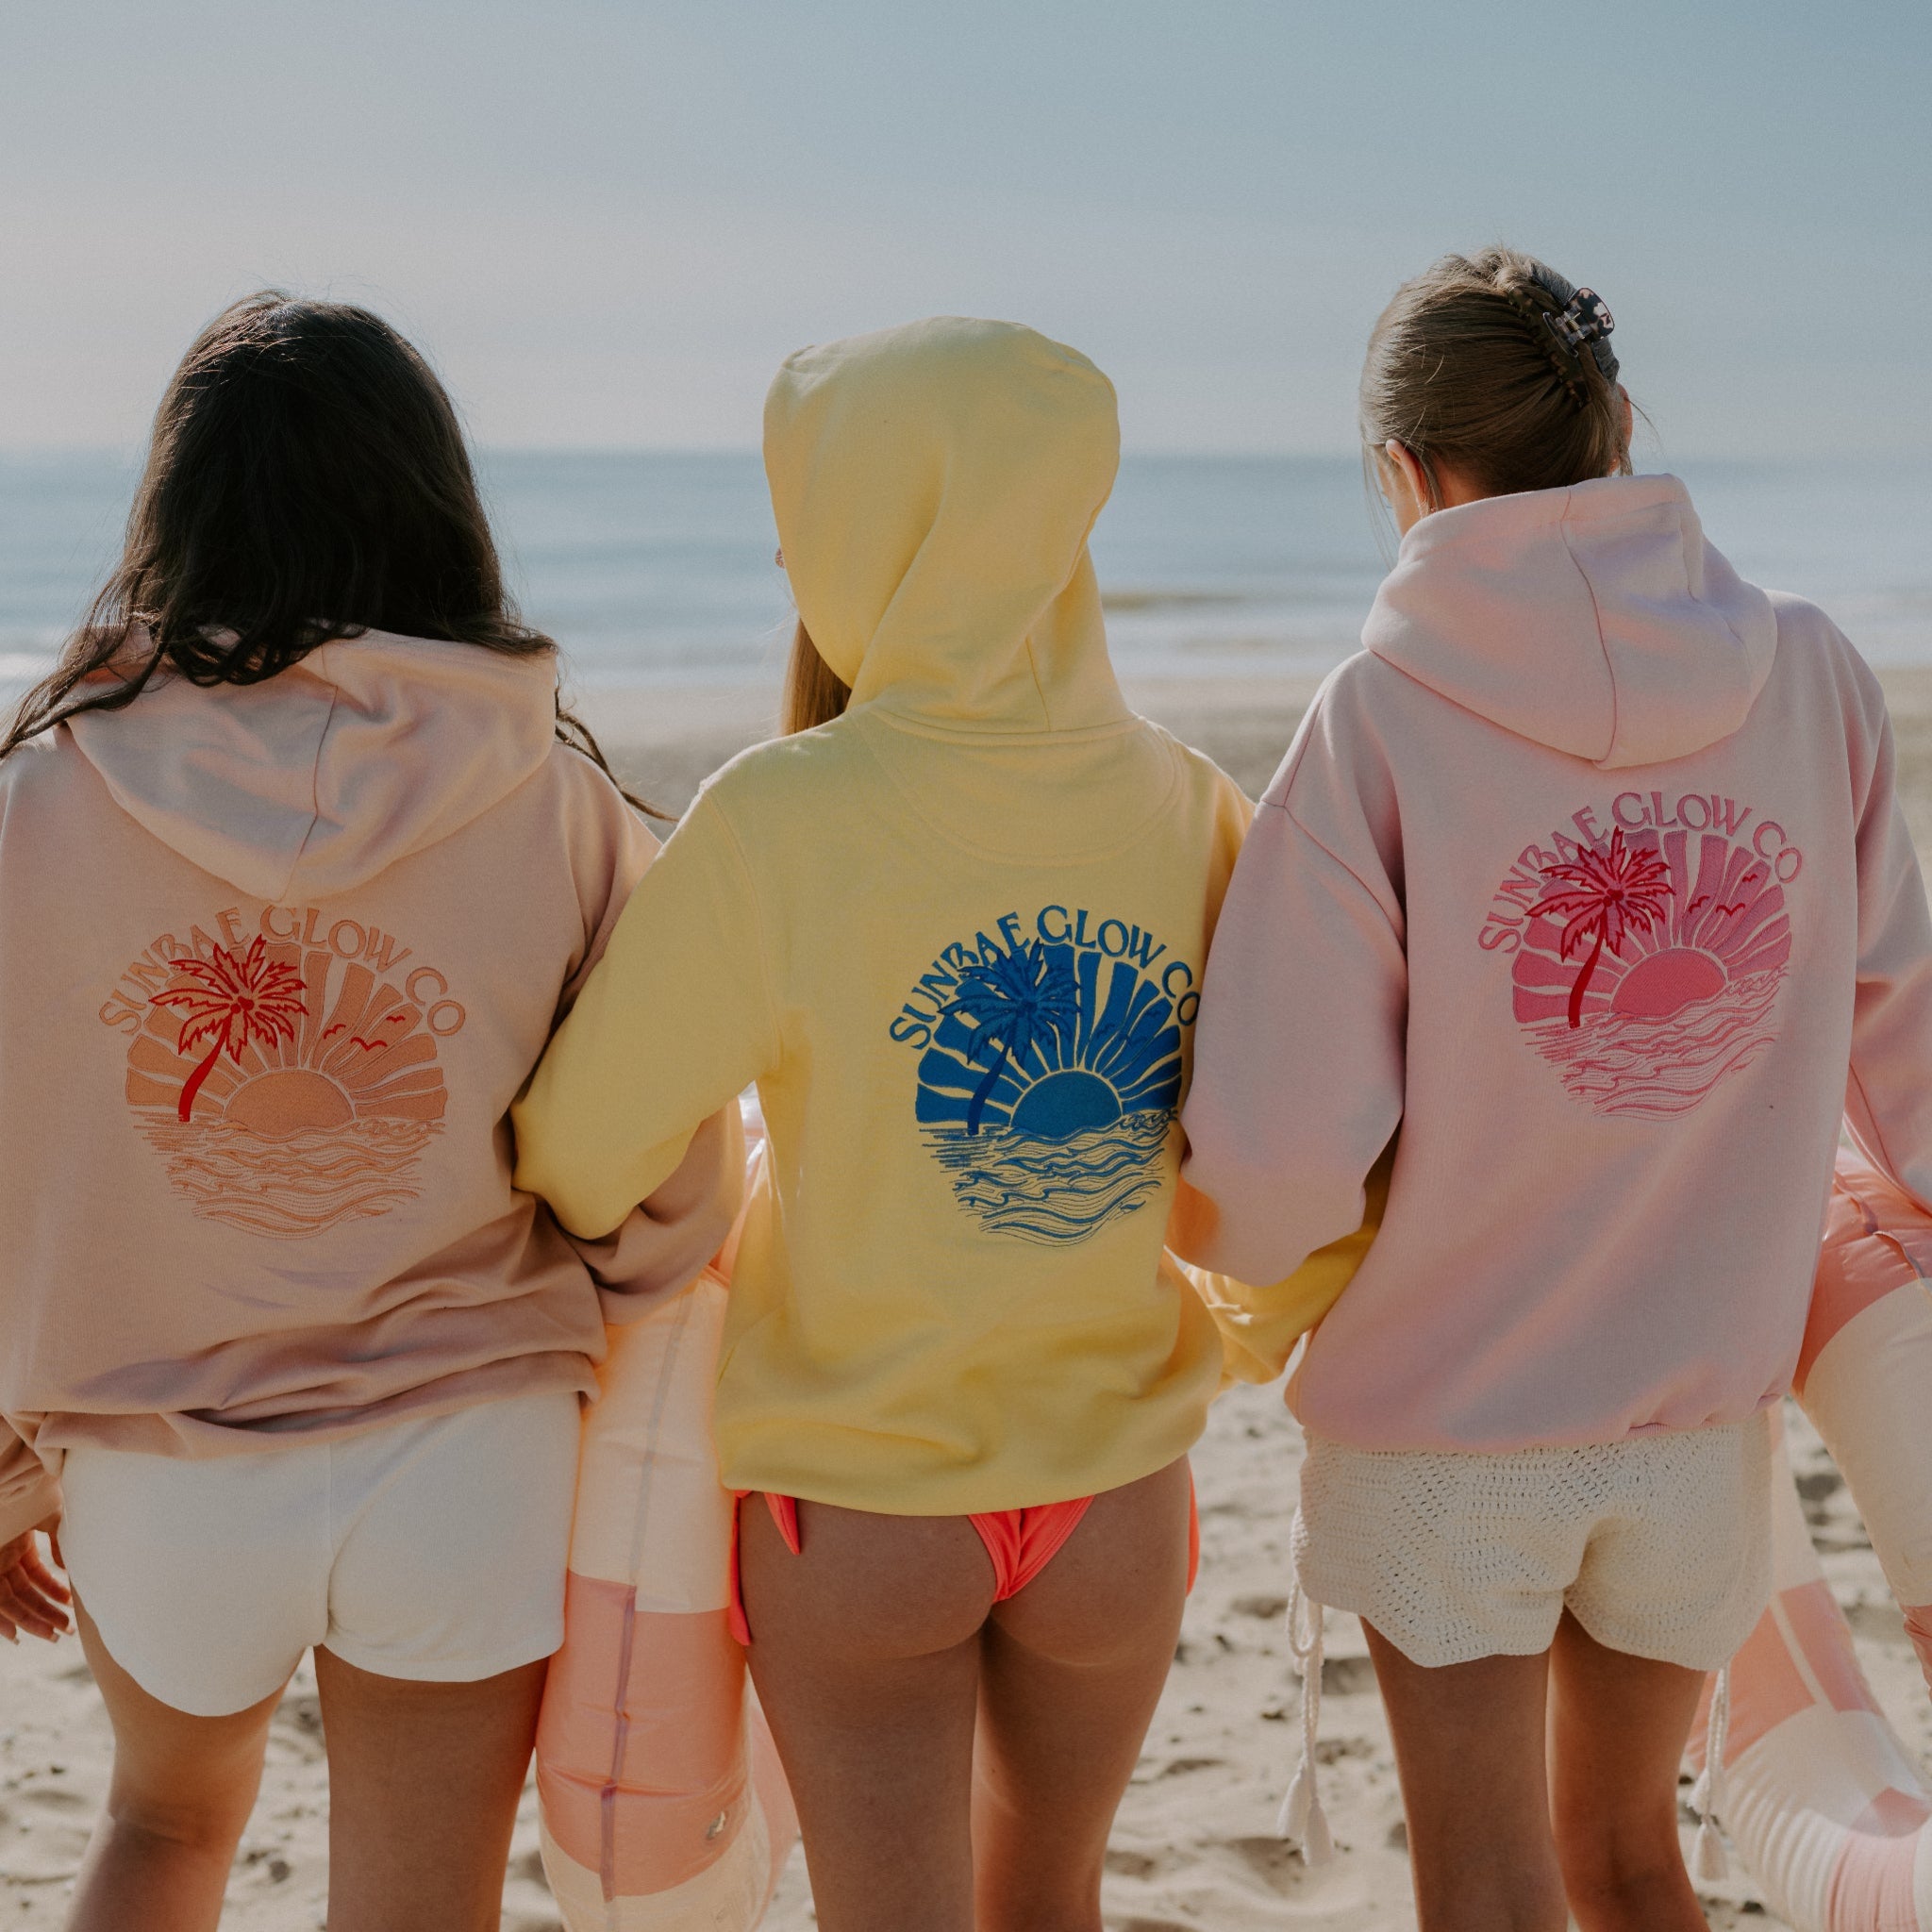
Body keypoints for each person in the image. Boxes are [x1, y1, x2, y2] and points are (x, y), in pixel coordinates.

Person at [515, 317, 1357, 1932]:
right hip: (1119, 1492)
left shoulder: (782, 816)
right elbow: (1289, 1143)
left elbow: (579, 1152)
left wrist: (746, 1179)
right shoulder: (1187, 801)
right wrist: (1250, 1330)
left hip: (860, 1504)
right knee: (1053, 1900)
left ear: (862, 535)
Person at [1175, 246, 1932, 1932]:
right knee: (1628, 1861)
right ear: (1613, 433)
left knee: (1491, 1884)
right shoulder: (1811, 675)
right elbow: (1906, 1041)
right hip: (1699, 1417)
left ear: (1405, 473)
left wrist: (1218, 1244)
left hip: (1448, 1429)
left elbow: (1283, 1157)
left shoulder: (1375, 721)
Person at [0, 293, 741, 1932]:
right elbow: (669, 1164)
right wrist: (609, 1292)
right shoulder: (551, 798)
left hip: (160, 1459)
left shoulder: (35, 805)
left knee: (165, 1830)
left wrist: (6, 1458)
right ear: (433, 506)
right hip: (465, 1442)